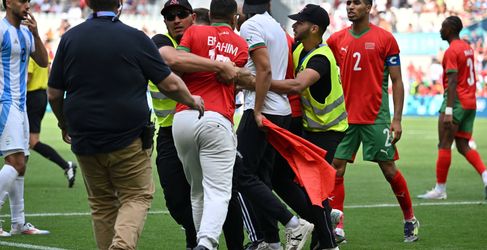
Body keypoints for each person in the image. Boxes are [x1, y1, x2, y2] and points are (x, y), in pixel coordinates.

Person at [47, 0, 204, 249]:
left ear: (88, 4)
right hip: (127, 136)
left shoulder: (70, 38)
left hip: (84, 136)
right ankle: (121, 246)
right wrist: (192, 100)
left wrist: (63, 124)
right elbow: (170, 84)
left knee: (101, 204)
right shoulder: (135, 38)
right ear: (120, 4)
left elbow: (54, 94)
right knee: (136, 196)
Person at [150, 1, 243, 248]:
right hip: (171, 131)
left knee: (223, 194)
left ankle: (221, 244)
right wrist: (220, 66)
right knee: (178, 199)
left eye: (181, 14)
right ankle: (200, 239)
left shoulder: (204, 41)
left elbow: (239, 73)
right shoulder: (162, 41)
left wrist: (232, 71)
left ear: (193, 17)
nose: (176, 20)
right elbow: (171, 59)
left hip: (200, 120)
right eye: (170, 16)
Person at [327, 0, 420, 243]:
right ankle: (338, 227)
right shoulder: (336, 40)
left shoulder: (385, 39)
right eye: (348, 3)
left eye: (356, 3)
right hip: (344, 118)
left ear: (369, 7)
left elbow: (397, 81)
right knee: (336, 168)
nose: (350, 7)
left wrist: (397, 119)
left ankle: (409, 219)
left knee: (389, 170)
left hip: (376, 118)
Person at [266, 4, 346, 249]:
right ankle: (326, 220)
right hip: (311, 129)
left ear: (313, 28)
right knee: (293, 182)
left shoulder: (321, 57)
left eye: (299, 22)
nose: (294, 24)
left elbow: (297, 86)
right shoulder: (301, 48)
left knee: (313, 190)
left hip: (327, 131)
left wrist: (258, 82)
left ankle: (328, 240)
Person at [236, 0, 314, 249]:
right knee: (262, 177)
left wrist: (257, 109)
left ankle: (292, 223)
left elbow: (265, 70)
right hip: (281, 110)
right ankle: (272, 242)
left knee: (238, 172)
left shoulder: (251, 25)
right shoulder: (277, 27)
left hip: (264, 109)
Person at [418, 16, 487, 200]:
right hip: (471, 102)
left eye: (443, 27)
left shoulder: (452, 51)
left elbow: (452, 80)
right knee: (462, 145)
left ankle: (440, 190)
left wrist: (449, 110)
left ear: (451, 29)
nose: (440, 30)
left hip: (457, 102)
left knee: (444, 144)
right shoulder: (467, 48)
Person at [0, 0, 50, 237]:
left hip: (21, 106)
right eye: (22, 0)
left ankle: (18, 222)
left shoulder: (26, 32)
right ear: (9, 3)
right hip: (5, 104)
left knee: (22, 165)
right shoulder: (1, 30)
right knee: (16, 162)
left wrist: (37, 34)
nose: (27, 5)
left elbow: (42, 61)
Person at [26, 57, 77, 188]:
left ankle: (66, 165)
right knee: (24, 140)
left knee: (32, 141)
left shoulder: (31, 56)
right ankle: (16, 173)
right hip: (40, 96)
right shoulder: (43, 55)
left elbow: (27, 79)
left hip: (31, 97)